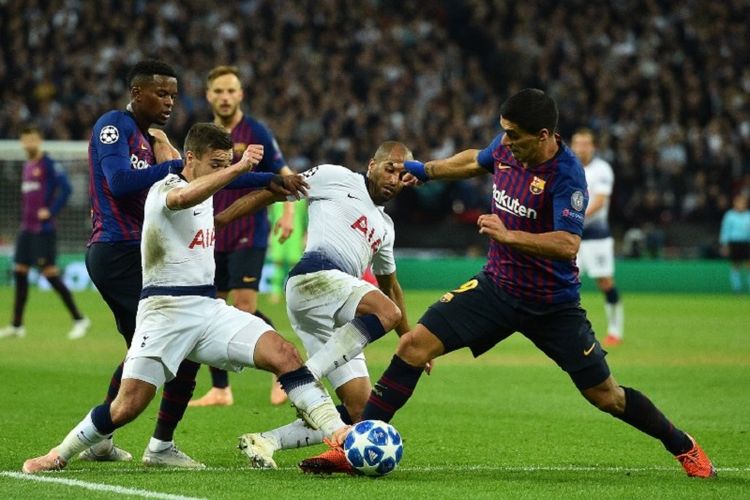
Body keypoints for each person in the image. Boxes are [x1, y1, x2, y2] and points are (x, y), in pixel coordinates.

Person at [299, 89, 716, 479]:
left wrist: (508, 235)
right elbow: (474, 161)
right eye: (504, 131)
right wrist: (423, 170)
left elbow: (568, 244)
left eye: (514, 135)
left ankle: (682, 445)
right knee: (412, 346)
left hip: (552, 304)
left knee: (608, 396)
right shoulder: (506, 147)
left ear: (545, 136)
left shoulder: (567, 176)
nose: (506, 141)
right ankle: (354, 447)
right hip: (496, 288)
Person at [21, 122, 346, 474]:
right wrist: (239, 167)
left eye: (226, 164)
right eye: (216, 165)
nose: (223, 172)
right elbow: (185, 197)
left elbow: (220, 214)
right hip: (164, 311)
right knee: (127, 407)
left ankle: (339, 434)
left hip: (208, 310)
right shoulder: (166, 188)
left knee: (284, 353)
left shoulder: (204, 188)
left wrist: (272, 188)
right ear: (190, 159)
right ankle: (59, 453)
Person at [211, 141, 414, 470]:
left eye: (401, 173)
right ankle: (306, 376)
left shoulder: (386, 229)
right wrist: (221, 221)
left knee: (360, 410)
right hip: (313, 278)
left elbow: (390, 283)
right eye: (389, 168)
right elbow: (277, 191)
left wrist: (408, 337)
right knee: (385, 312)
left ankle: (267, 441)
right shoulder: (337, 177)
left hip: (332, 309)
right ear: (371, 164)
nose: (393, 177)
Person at [81, 59, 204, 468]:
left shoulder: (149, 136)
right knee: (180, 344)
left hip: (136, 254)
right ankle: (161, 447)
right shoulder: (113, 126)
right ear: (137, 93)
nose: (170, 101)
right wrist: (171, 166)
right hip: (116, 250)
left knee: (142, 350)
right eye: (161, 93)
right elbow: (118, 182)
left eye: (173, 94)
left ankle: (101, 438)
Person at [189, 65, 294, 408]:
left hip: (249, 230)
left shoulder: (256, 130)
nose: (224, 97)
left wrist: (288, 213)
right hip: (210, 231)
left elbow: (283, 172)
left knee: (244, 306)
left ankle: (283, 370)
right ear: (209, 95)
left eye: (230, 91)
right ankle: (221, 389)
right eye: (218, 91)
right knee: (209, 309)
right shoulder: (202, 135)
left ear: (240, 94)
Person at [0, 125, 90, 340]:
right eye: (25, 139)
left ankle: (80, 319)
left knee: (49, 275)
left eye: (32, 139)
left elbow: (66, 188)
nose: (28, 143)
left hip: (43, 230)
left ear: (39, 140)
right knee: (20, 272)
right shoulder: (28, 165)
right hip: (27, 229)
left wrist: (51, 211)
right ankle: (16, 325)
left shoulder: (48, 163)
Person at [570, 128, 624, 346]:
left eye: (585, 144)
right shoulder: (566, 167)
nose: (581, 148)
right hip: (572, 237)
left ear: (592, 147)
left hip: (596, 235)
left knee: (605, 282)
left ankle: (615, 329)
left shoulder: (601, 169)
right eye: (577, 143)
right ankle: (571, 330)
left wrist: (574, 218)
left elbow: (600, 201)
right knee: (567, 282)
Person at [719, 193, 750, 293]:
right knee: (735, 265)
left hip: (747, 242)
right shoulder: (730, 215)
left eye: (743, 202)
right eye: (739, 202)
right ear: (735, 203)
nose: (741, 204)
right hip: (734, 242)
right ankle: (737, 288)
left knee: (748, 265)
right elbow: (725, 230)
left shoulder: (748, 215)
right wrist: (724, 245)